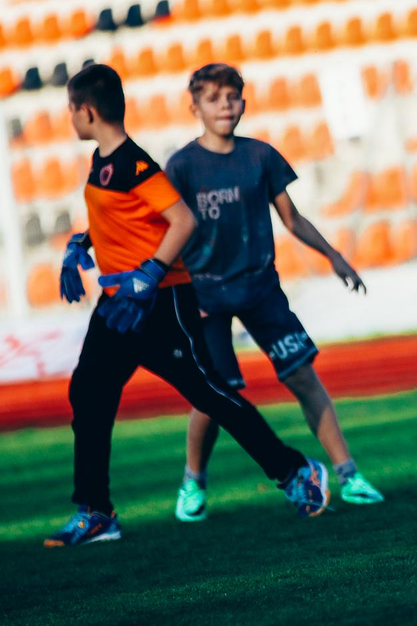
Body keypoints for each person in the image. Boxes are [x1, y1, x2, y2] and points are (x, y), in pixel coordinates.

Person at [46, 64, 327, 547]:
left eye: (72, 109)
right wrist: (82, 244)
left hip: (160, 303)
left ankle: (295, 470)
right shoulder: (103, 161)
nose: (71, 117)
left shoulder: (136, 165)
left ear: (86, 112)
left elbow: (183, 220)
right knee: (88, 393)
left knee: (210, 394)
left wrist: (151, 273)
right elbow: (125, 220)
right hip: (118, 305)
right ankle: (95, 511)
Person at [164, 63, 382, 523]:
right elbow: (168, 230)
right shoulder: (181, 166)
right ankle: (193, 481)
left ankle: (349, 475)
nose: (225, 105)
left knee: (302, 376)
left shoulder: (260, 156)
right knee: (213, 395)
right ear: (195, 107)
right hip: (205, 297)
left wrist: (333, 255)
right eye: (213, 98)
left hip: (261, 289)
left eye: (232, 96)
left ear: (243, 102)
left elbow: (292, 218)